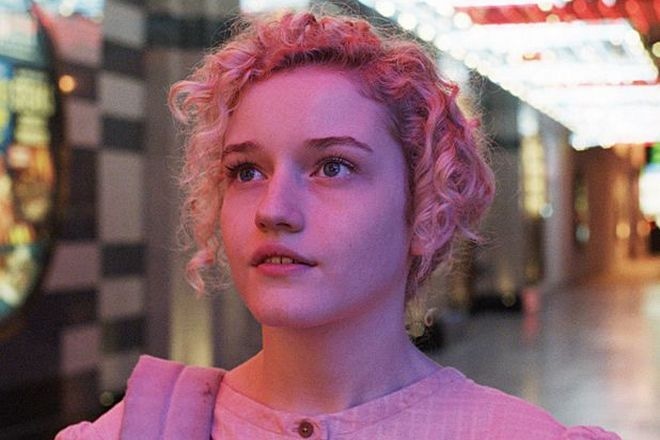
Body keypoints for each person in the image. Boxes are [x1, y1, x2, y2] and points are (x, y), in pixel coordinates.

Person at [56, 10, 620, 440]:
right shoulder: (137, 431)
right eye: (246, 171)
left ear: (427, 209)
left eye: (333, 167)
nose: (274, 209)